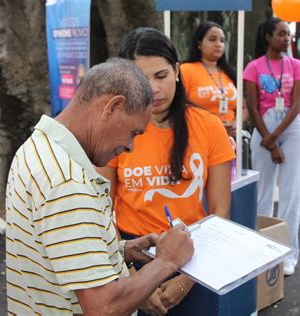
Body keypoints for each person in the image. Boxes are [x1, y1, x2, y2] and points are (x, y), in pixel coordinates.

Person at [5, 58, 194, 315]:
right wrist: (166, 261)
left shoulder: (39, 147)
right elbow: (102, 308)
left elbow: (57, 249)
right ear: (112, 107)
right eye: (134, 132)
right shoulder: (69, 183)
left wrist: (120, 251)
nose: (130, 146)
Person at [98, 27, 235, 315]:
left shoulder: (209, 127)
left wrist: (185, 281)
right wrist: (135, 282)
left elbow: (220, 213)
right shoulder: (113, 131)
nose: (154, 89)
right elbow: (100, 212)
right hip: (130, 262)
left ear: (176, 70)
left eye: (160, 75)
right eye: (141, 80)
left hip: (196, 266)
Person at [243, 17, 300, 276]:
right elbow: (253, 106)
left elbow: (296, 105)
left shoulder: (296, 65)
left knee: (292, 196)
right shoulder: (254, 67)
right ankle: (262, 251)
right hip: (263, 127)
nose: (287, 38)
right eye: (281, 33)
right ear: (268, 37)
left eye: (288, 34)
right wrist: (268, 140)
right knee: (263, 194)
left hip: (291, 129)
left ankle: (290, 254)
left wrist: (274, 139)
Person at [180, 21, 248, 137]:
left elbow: (244, 107)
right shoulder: (186, 70)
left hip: (229, 138)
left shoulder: (229, 73)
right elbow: (180, 104)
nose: (218, 44)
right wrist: (214, 122)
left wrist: (236, 123)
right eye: (212, 39)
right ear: (199, 44)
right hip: (199, 134)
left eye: (222, 40)